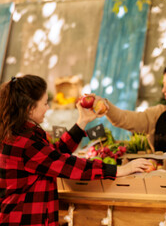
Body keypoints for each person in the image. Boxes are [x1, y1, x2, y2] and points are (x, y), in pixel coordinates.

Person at [0, 75, 152, 226]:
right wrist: (118, 170)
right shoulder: (24, 142)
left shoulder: (21, 134)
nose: (48, 108)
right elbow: (64, 164)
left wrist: (82, 121)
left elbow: (54, 155)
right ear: (29, 108)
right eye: (45, 103)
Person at [95, 63, 166, 153]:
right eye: (163, 85)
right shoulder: (157, 113)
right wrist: (106, 105)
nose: (164, 90)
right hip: (159, 177)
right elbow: (124, 119)